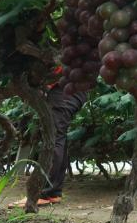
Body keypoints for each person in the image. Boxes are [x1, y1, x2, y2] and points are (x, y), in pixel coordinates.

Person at [8, 68, 88, 208]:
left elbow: (58, 66)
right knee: (58, 137)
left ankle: (42, 193)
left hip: (65, 88)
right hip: (72, 88)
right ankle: (52, 192)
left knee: (54, 137)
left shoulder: (63, 51)